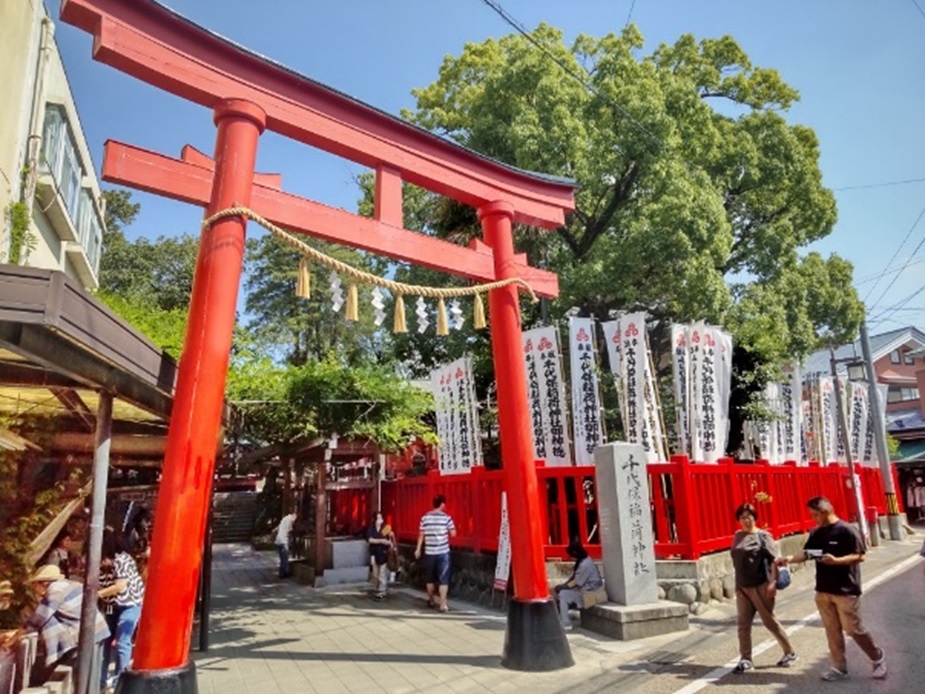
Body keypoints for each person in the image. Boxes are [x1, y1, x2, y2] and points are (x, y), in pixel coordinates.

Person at [778, 496, 887, 682]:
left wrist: (836, 561)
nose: (814, 518)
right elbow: (808, 553)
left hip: (846, 589)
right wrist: (788, 558)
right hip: (823, 589)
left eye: (815, 515)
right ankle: (839, 667)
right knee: (832, 630)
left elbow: (859, 556)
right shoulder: (816, 533)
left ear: (826, 512)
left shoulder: (846, 530)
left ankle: (877, 657)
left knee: (853, 629)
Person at [0, 565, 109, 686]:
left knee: (78, 678)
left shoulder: (55, 590)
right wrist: (15, 633)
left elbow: (38, 619)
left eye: (34, 585)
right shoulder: (69, 585)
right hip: (97, 631)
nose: (34, 589)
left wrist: (12, 640)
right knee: (89, 676)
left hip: (86, 635)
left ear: (43, 583)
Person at [729, 503, 797, 674]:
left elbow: (776, 560)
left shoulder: (763, 536)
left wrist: (773, 582)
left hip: (760, 586)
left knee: (769, 621)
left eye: (749, 516)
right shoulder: (737, 535)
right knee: (743, 624)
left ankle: (790, 652)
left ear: (755, 517)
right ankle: (746, 659)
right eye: (742, 517)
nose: (746, 520)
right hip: (742, 586)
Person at [98, 528, 145, 690]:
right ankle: (100, 681)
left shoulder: (122, 559)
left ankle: (120, 682)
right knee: (104, 641)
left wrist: (98, 594)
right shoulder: (100, 561)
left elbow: (120, 585)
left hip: (130, 603)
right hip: (111, 605)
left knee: (122, 642)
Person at [414, 494, 456, 612]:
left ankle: (431, 600)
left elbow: (421, 535)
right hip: (443, 552)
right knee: (443, 579)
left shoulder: (425, 518)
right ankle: (443, 604)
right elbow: (453, 533)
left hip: (429, 552)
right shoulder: (447, 518)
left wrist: (418, 549)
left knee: (430, 578)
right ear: (442, 504)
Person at [553, 539, 605, 631]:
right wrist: (563, 585)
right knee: (562, 592)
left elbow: (577, 582)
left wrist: (562, 587)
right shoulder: (585, 559)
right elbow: (573, 578)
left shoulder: (585, 565)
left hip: (590, 593)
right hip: (584, 589)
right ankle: (562, 618)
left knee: (563, 595)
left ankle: (566, 623)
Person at [366, 512, 392, 600]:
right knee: (375, 574)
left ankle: (382, 591)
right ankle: (377, 589)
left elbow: (389, 539)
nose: (380, 520)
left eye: (381, 518)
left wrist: (388, 540)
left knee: (382, 573)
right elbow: (370, 540)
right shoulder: (371, 529)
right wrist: (381, 541)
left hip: (383, 552)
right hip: (374, 553)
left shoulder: (385, 528)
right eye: (378, 518)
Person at [273, 508, 297, 579]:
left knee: (282, 558)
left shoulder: (284, 519)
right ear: (294, 515)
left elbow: (279, 527)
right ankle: (284, 573)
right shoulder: (290, 520)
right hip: (283, 540)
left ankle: (281, 572)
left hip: (279, 540)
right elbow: (290, 530)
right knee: (285, 557)